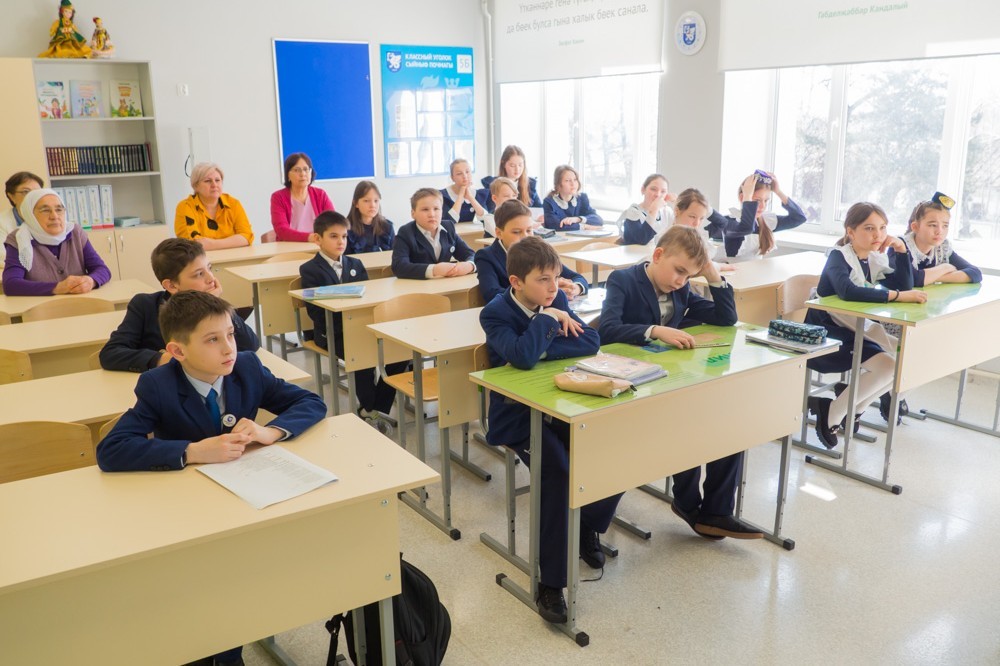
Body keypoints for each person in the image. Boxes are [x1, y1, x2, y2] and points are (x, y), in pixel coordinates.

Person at [96, 290, 326, 666]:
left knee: (241, 588)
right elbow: (112, 449)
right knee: (201, 604)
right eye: (212, 340)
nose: (228, 347)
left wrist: (271, 431)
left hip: (245, 501)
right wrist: (192, 451)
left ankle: (231, 649)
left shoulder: (247, 367)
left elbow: (310, 402)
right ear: (177, 351)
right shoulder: (158, 385)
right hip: (189, 515)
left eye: (230, 334)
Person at [479, 236, 622, 625]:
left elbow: (589, 342)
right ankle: (551, 583)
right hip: (517, 416)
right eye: (543, 279)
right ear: (516, 281)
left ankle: (587, 526)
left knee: (614, 444)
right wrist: (548, 322)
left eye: (556, 278)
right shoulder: (495, 313)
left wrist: (542, 340)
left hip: (560, 406)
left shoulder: (553, 297)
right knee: (557, 470)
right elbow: (522, 358)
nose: (553, 287)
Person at [597, 226, 761, 540]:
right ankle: (688, 503)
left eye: (689, 275)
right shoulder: (623, 280)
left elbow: (725, 318)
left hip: (669, 379)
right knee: (689, 423)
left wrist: (712, 274)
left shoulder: (680, 289)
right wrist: (654, 331)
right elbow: (607, 329)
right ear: (658, 255)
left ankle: (716, 512)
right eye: (679, 271)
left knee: (731, 423)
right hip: (632, 385)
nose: (681, 280)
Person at [804, 202, 927, 448]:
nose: (878, 235)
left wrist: (901, 250)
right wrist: (897, 296)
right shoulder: (838, 256)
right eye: (869, 228)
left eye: (882, 228)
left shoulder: (873, 258)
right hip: (826, 335)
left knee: (900, 361)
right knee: (889, 365)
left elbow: (904, 285)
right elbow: (847, 291)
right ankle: (833, 413)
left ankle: (850, 409)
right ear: (850, 232)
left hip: (855, 329)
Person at [300, 212, 405, 433]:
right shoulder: (309, 269)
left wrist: (361, 327)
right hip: (331, 333)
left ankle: (374, 407)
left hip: (361, 327)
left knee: (400, 352)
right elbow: (315, 313)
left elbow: (368, 299)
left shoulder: (355, 263)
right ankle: (370, 407)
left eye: (344, 236)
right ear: (318, 239)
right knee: (361, 355)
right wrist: (349, 327)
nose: (341, 242)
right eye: (334, 236)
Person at [100, 238, 259, 372]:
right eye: (199, 274)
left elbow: (250, 344)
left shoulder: (213, 307)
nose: (211, 278)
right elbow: (110, 353)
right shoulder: (145, 306)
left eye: (209, 268)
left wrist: (215, 304)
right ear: (171, 285)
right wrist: (161, 358)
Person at [475, 199, 587, 303]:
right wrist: (542, 291)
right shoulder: (486, 256)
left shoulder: (539, 252)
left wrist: (574, 288)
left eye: (529, 230)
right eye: (516, 232)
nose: (525, 237)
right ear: (499, 233)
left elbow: (578, 278)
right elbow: (491, 294)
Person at [2, 188, 110, 296]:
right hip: (40, 306)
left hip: (80, 303)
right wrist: (58, 288)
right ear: (30, 214)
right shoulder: (19, 239)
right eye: (45, 210)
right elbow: (11, 284)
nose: (54, 216)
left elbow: (102, 269)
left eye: (59, 210)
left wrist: (91, 281)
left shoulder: (75, 232)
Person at [706, 171, 806, 261]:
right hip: (726, 273)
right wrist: (747, 197)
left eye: (766, 201)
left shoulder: (766, 221)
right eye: (757, 200)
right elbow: (746, 227)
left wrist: (778, 191)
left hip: (753, 273)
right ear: (742, 198)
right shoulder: (730, 222)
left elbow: (799, 218)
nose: (762, 206)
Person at [391, 188, 476, 280]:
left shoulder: (448, 227)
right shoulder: (405, 232)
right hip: (418, 286)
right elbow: (399, 266)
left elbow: (470, 254)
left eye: (436, 209)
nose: (432, 214)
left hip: (445, 284)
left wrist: (470, 265)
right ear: (413, 213)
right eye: (425, 209)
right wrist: (434, 270)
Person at [903, 192, 982, 286]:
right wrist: (945, 268)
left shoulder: (941, 249)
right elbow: (911, 279)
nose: (939, 231)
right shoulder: (900, 247)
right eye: (933, 225)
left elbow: (975, 273)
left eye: (945, 226)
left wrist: (934, 277)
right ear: (915, 227)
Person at [174, 162, 254, 250]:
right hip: (201, 258)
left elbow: (247, 236)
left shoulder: (233, 204)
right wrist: (233, 241)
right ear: (196, 186)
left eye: (217, 180)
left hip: (234, 256)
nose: (214, 185)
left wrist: (211, 244)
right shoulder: (185, 206)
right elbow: (192, 244)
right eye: (207, 181)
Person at [269, 152, 334, 242]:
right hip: (290, 246)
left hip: (318, 244)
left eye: (306, 169)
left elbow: (332, 222)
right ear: (288, 175)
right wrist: (310, 237)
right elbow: (281, 230)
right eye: (297, 170)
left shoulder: (320, 194)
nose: (302, 174)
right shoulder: (278, 197)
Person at [671, 188, 736, 273]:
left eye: (701, 218)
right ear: (677, 211)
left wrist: (704, 206)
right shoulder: (669, 237)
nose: (697, 223)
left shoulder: (697, 237)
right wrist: (719, 266)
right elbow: (692, 265)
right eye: (692, 216)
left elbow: (723, 223)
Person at [475, 145, 543, 213]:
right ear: (503, 164)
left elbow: (539, 209)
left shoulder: (530, 185)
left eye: (520, 165)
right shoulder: (493, 184)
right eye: (512, 165)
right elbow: (486, 213)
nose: (517, 169)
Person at [617, 174, 675, 246]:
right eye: (653, 189)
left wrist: (676, 203)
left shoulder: (666, 211)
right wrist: (654, 209)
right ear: (643, 190)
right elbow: (642, 240)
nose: (658, 194)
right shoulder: (633, 212)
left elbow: (681, 229)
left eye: (663, 191)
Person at [542, 165, 603, 231]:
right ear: (558, 184)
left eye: (575, 179)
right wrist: (585, 226)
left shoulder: (582, 198)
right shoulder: (549, 202)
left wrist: (578, 219)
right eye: (568, 180)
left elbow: (598, 220)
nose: (573, 184)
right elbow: (554, 226)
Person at [346, 180, 395, 253]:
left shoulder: (387, 227)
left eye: (376, 201)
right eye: (366, 201)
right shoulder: (346, 228)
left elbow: (395, 256)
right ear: (356, 203)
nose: (372, 205)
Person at [440, 158, 486, 223]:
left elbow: (485, 219)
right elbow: (449, 221)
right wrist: (461, 195)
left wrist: (470, 198)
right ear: (452, 178)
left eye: (467, 172)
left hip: (469, 229)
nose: (465, 176)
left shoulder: (478, 194)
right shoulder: (443, 195)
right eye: (459, 173)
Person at [1, 171, 43, 236]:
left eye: (37, 192)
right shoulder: (2, 223)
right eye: (26, 191)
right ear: (11, 197)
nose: (33, 196)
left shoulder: (52, 217)